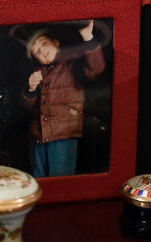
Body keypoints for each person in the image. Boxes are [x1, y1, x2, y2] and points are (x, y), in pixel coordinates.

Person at [22, 19, 105, 177]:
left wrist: (88, 37)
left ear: (56, 42)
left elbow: (95, 68)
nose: (42, 52)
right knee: (38, 178)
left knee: (60, 178)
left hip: (63, 135)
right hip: (38, 137)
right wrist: (31, 89)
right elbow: (26, 106)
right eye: (37, 52)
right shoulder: (36, 73)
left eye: (44, 44)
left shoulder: (72, 65)